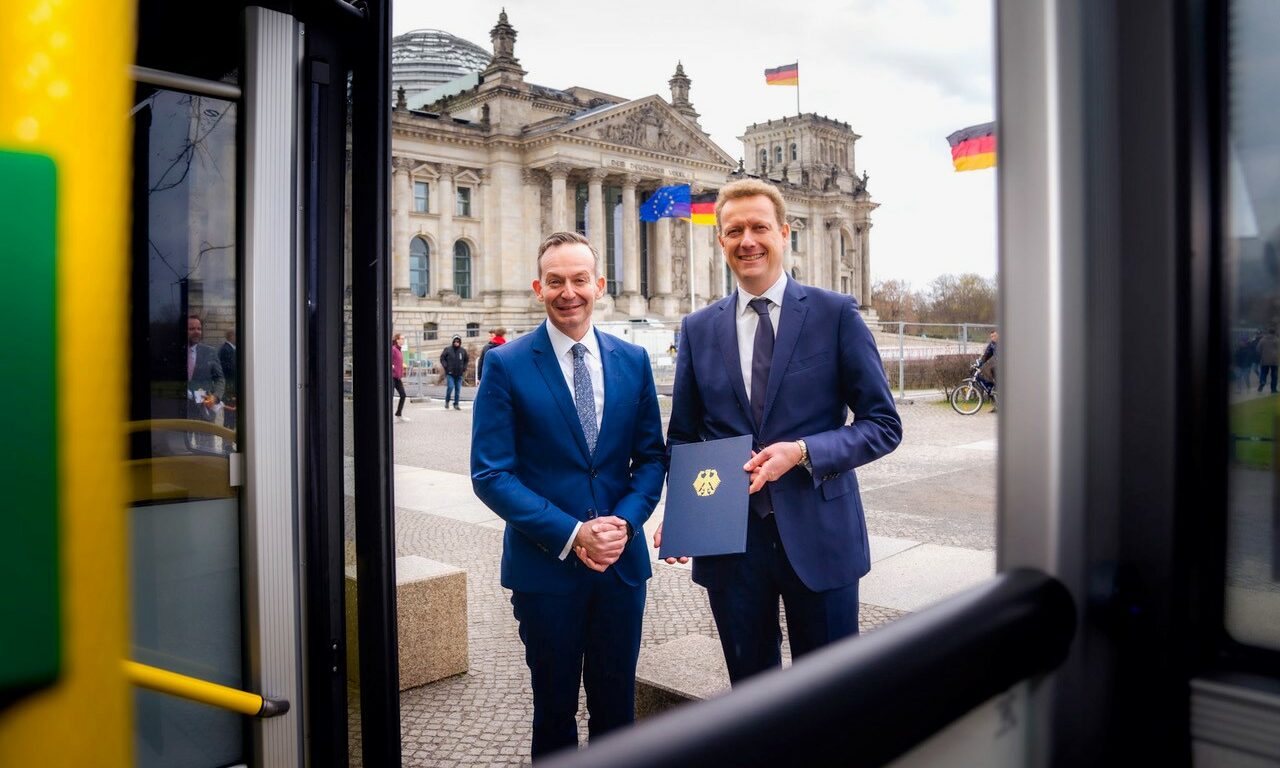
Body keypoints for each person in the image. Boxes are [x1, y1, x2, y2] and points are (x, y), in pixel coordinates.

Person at [657, 179, 902, 684]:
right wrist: (683, 511)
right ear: (720, 240)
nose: (747, 240)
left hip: (821, 533)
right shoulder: (698, 328)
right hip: (730, 542)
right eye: (734, 231)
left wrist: (804, 451)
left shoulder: (835, 314)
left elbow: (882, 425)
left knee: (829, 693)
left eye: (759, 227)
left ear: (784, 233)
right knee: (752, 695)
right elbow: (683, 435)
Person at [471, 231, 666, 759]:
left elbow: (651, 458)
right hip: (545, 571)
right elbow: (490, 474)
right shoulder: (506, 363)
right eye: (555, 281)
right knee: (554, 712)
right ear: (538, 288)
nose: (568, 292)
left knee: (617, 710)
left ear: (599, 285)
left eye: (580, 280)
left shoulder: (633, 360)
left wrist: (624, 523)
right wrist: (574, 533)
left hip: (621, 567)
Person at [186, 315, 225, 451]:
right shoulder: (173, 352)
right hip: (181, 410)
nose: (196, 332)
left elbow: (220, 378)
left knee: (206, 451)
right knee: (178, 450)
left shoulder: (210, 352)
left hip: (204, 409)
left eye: (199, 329)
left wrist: (215, 397)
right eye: (191, 329)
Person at [440, 335, 468, 410]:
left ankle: (456, 404)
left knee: (458, 389)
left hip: (459, 373)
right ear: (453, 342)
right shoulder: (448, 349)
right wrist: (445, 366)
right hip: (450, 373)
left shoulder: (463, 351)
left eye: (458, 341)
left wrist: (464, 367)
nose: (456, 343)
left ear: (460, 342)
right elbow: (442, 358)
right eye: (455, 341)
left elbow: (466, 360)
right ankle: (447, 401)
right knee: (450, 387)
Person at [219, 329, 237, 434]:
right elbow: (229, 369)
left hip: (231, 387)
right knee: (229, 414)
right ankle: (227, 439)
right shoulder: (226, 350)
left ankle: (229, 436)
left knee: (232, 415)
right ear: (231, 336)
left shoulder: (230, 349)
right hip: (229, 387)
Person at [976, 329, 998, 411]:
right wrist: (980, 363)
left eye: (994, 336)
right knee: (991, 386)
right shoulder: (992, 344)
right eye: (991, 337)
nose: (993, 338)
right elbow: (986, 355)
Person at [392, 333, 409, 422]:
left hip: (398, 378)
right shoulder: (393, 349)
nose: (403, 340)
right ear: (397, 340)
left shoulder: (399, 350)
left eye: (403, 339)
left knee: (403, 395)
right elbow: (389, 361)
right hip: (392, 377)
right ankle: (387, 417)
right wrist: (393, 368)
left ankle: (399, 414)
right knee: (390, 397)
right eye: (402, 338)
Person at [1258, 328, 1279, 394]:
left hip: (1264, 359)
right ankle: (1273, 389)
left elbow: (1258, 349)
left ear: (1268, 332)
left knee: (1264, 373)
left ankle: (1262, 381)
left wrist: (1262, 354)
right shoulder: (1277, 340)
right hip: (1274, 360)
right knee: (1274, 375)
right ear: (1274, 333)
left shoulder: (1262, 340)